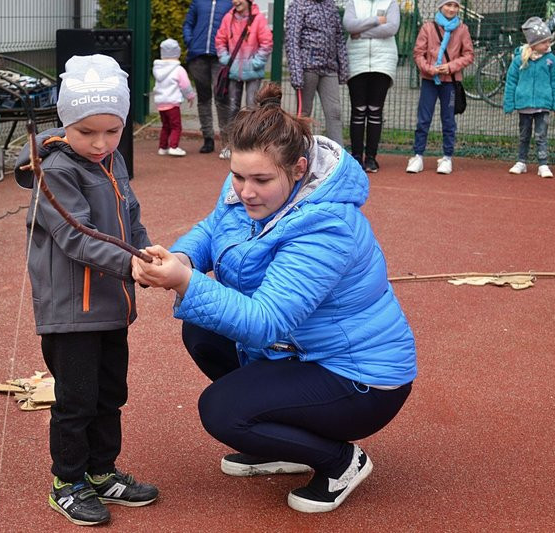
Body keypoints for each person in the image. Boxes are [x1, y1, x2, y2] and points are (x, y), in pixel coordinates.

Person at [131, 83, 416, 514]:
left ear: (299, 168)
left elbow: (266, 322)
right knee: (202, 330)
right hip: (304, 353)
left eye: (261, 180)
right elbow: (213, 229)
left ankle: (342, 461)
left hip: (361, 379)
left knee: (223, 412)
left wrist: (184, 281)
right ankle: (285, 442)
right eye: (238, 176)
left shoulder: (327, 226)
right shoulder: (249, 194)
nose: (246, 191)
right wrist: (183, 256)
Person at [14, 54, 158, 527]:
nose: (100, 143)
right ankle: (67, 481)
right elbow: (77, 235)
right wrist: (133, 263)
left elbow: (129, 219)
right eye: (86, 132)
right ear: (65, 122)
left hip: (111, 304)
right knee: (76, 399)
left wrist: (146, 249)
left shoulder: (113, 161)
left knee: (110, 393)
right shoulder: (55, 170)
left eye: (112, 131)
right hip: (71, 312)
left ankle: (101, 471)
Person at [406, 0, 473, 175]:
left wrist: (450, 67)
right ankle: (418, 156)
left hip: (450, 82)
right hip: (429, 81)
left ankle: (447, 157)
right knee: (424, 118)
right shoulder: (428, 27)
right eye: (448, 5)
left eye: (455, 6)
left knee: (449, 119)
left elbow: (468, 55)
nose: (451, 9)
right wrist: (429, 69)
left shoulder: (463, 29)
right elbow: (418, 53)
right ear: (440, 7)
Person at [503, 17, 555, 179]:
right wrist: (509, 103)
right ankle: (521, 162)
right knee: (524, 135)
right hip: (524, 105)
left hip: (543, 105)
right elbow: (511, 82)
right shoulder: (519, 60)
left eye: (549, 41)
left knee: (541, 135)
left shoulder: (552, 60)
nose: (547, 45)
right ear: (533, 43)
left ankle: (543, 164)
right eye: (544, 42)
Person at [343, 0, 401, 172]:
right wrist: (376, 20)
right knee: (358, 110)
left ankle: (371, 158)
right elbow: (349, 25)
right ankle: (356, 157)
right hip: (356, 61)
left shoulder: (391, 3)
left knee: (375, 111)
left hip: (383, 63)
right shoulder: (353, 3)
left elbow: (391, 28)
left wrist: (361, 33)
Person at [215, 0, 274, 159]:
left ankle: (251, 145)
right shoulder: (228, 18)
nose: (235, 1)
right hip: (234, 72)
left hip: (253, 72)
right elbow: (220, 40)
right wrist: (227, 60)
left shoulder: (258, 19)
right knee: (232, 108)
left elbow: (267, 42)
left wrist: (257, 62)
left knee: (252, 107)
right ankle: (230, 145)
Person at [285, 0, 347, 148]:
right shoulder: (298, 5)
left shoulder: (330, 6)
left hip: (329, 68)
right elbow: (292, 41)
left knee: (335, 111)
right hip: (307, 68)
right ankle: (301, 150)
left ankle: (338, 153)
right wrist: (296, 73)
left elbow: (339, 38)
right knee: (304, 114)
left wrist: (343, 68)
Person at [183, 0, 233, 154]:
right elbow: (188, 24)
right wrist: (190, 42)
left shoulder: (229, 3)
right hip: (198, 56)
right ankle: (208, 138)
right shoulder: (198, 2)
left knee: (222, 98)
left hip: (220, 57)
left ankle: (226, 141)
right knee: (204, 99)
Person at [153, 38, 197, 157]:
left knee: (165, 125)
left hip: (161, 102)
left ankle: (162, 147)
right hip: (172, 103)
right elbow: (185, 85)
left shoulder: (158, 68)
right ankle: (173, 146)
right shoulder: (178, 69)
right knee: (176, 126)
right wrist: (190, 96)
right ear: (177, 53)